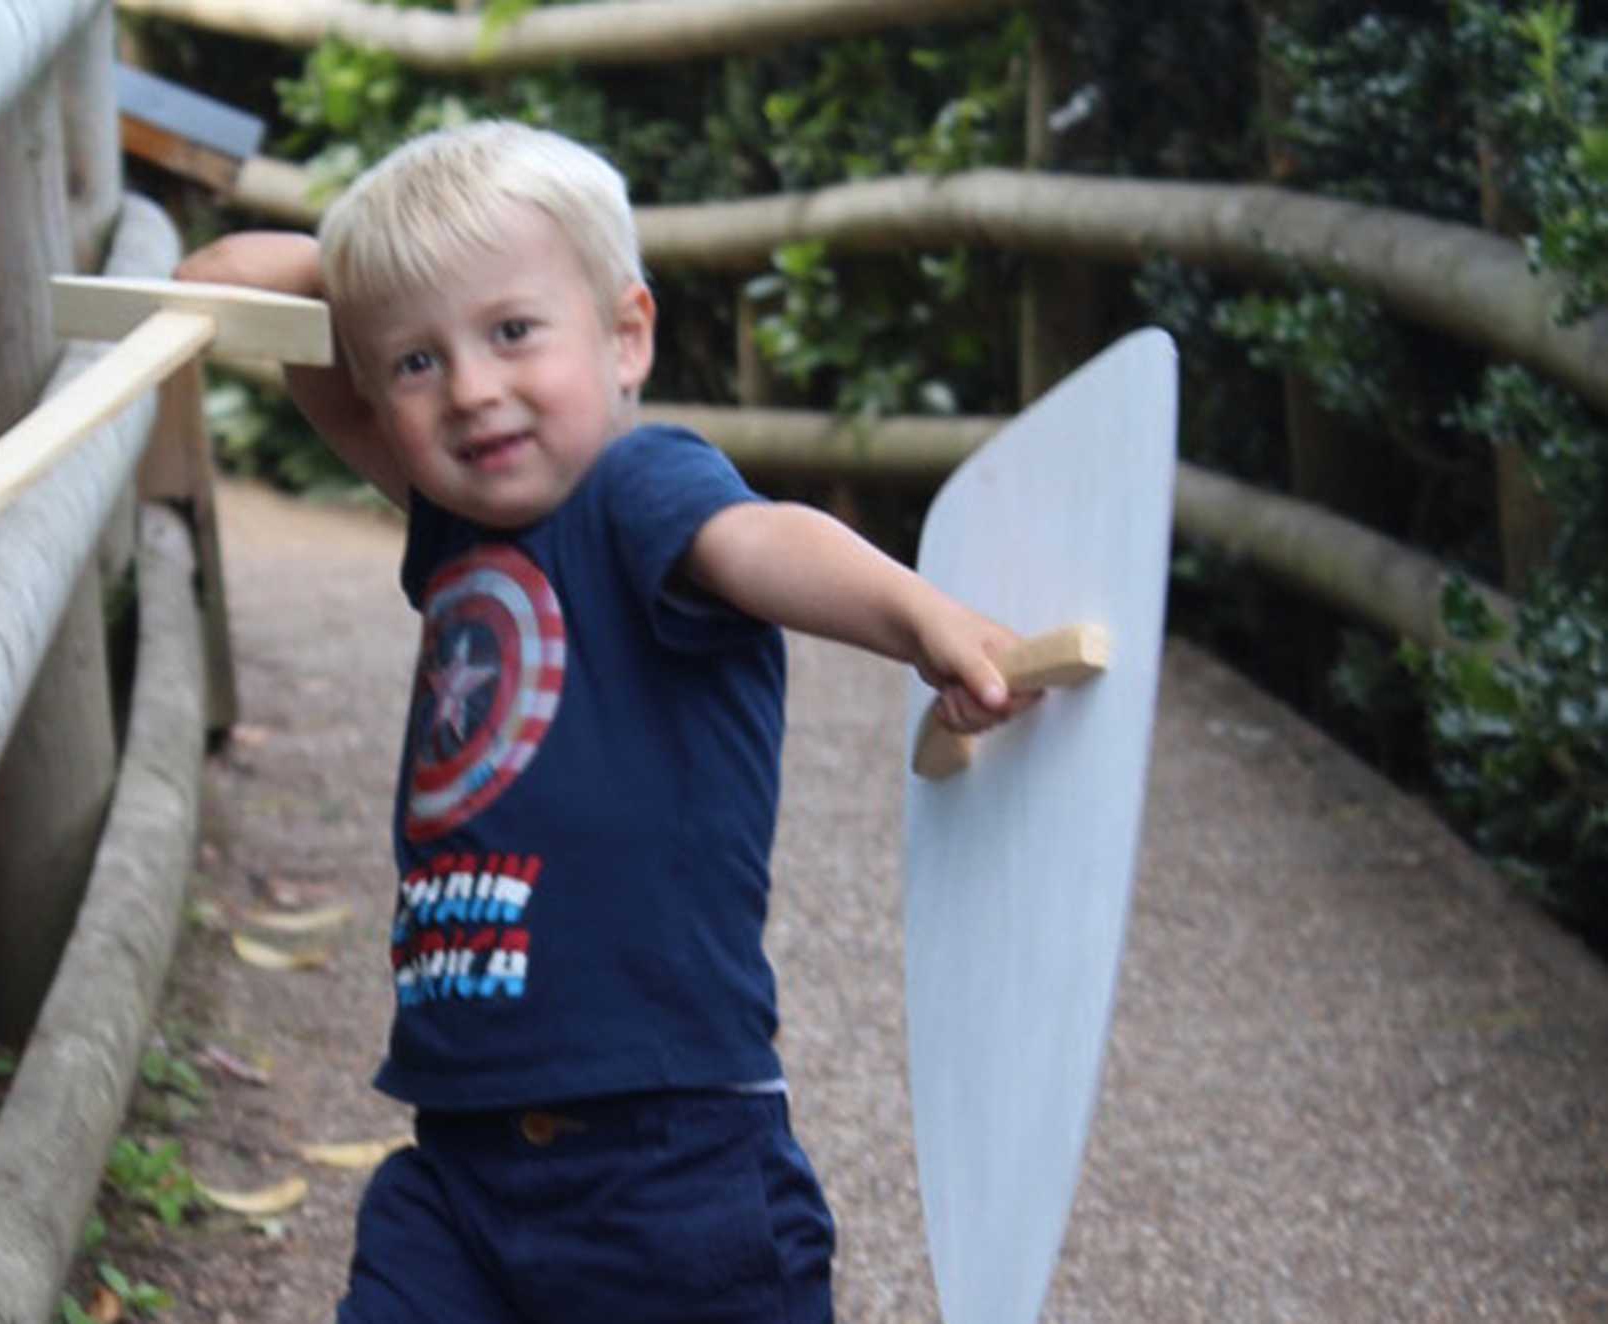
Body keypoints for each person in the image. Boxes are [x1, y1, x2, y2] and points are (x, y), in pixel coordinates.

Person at [178, 120, 1033, 1324]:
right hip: (460, 1165)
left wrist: (918, 617)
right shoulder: (455, 521)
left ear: (626, 335)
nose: (472, 389)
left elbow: (763, 539)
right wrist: (372, 274)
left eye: (513, 331)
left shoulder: (639, 490)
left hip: (668, 1159)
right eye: (418, 364)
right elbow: (218, 286)